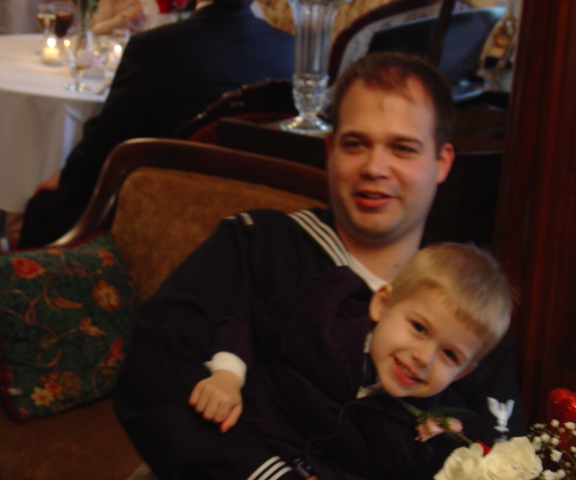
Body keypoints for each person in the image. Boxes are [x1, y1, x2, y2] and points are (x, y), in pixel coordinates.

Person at [114, 51, 525, 480]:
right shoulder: (254, 243)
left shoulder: (472, 313)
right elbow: (155, 375)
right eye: (355, 144)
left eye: (403, 148)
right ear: (330, 151)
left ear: (441, 162)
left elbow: (493, 463)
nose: (375, 167)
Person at [189, 243, 514, 480]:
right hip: (237, 447)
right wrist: (227, 377)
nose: (424, 358)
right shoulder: (325, 310)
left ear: (463, 373)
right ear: (382, 304)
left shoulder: (442, 431)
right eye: (419, 328)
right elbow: (250, 322)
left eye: (450, 355)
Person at [17, 0, 294, 249]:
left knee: (44, 211)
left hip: (166, 211)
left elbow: (107, 139)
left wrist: (66, 181)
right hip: (260, 219)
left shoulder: (156, 47)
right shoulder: (289, 49)